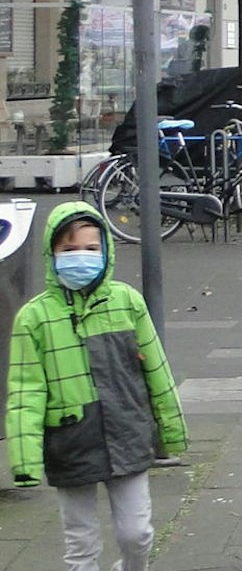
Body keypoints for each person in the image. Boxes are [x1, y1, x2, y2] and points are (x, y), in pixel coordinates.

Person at [7, 203, 187, 571]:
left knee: (137, 534)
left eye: (91, 249)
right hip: (71, 439)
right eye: (69, 250)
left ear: (106, 251)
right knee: (81, 541)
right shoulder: (34, 318)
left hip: (127, 432)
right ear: (51, 254)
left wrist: (171, 430)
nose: (81, 258)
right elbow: (25, 391)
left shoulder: (127, 302)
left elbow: (157, 370)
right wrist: (24, 459)